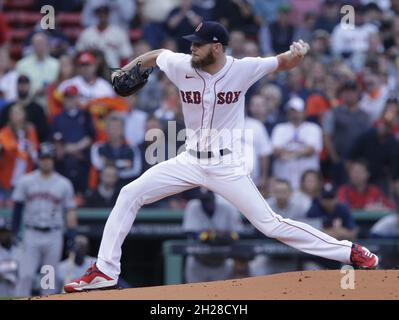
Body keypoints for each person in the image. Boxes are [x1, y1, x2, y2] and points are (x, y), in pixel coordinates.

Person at [64, 21, 378, 293]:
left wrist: (297, 54)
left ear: (216, 47)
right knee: (129, 193)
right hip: (189, 160)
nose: (192, 49)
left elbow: (281, 63)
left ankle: (350, 252)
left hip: (226, 164)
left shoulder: (242, 68)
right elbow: (157, 55)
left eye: (198, 45)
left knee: (271, 225)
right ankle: (105, 271)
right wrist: (128, 67)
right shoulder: (181, 65)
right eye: (191, 44)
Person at [12, 143, 78, 297]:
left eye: (48, 158)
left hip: (53, 235)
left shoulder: (64, 184)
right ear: (38, 160)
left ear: (53, 160)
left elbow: (70, 212)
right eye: (43, 158)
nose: (45, 161)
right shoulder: (26, 181)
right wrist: (15, 231)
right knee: (25, 275)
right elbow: (17, 208)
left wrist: (72, 236)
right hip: (31, 233)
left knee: (48, 280)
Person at [183, 189, 242, 283]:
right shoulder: (193, 205)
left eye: (208, 200)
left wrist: (225, 237)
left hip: (222, 263)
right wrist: (210, 236)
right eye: (203, 200)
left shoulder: (227, 206)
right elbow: (191, 233)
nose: (206, 204)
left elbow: (237, 234)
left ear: (214, 197)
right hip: (198, 263)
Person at [271, 96, 323, 190]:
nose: (294, 114)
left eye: (297, 111)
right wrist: (300, 152)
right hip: (284, 177)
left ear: (304, 112)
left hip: (307, 179)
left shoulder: (313, 128)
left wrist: (289, 154)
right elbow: (276, 150)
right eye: (291, 111)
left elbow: (310, 150)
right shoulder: (280, 128)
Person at [52, 85, 96, 194]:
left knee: (82, 194)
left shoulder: (85, 115)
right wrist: (68, 149)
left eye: (72, 97)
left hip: (82, 162)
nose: (69, 100)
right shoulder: (57, 118)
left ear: (77, 98)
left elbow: (91, 136)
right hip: (64, 163)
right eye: (67, 97)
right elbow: (55, 141)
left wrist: (76, 147)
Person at [76, 3, 134, 68]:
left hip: (113, 70)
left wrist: (121, 74)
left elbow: (125, 56)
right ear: (96, 15)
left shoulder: (119, 33)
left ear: (109, 14)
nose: (102, 16)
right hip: (92, 71)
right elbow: (79, 54)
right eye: (100, 13)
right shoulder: (86, 33)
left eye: (105, 13)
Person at [0, 74, 49, 142]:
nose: (22, 86)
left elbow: (44, 132)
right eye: (20, 84)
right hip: (10, 146)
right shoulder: (8, 108)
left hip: (33, 145)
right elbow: (2, 128)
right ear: (16, 86)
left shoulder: (38, 109)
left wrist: (31, 130)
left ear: (29, 86)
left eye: (25, 84)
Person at [0, 217, 18, 297]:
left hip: (16, 288)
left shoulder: (20, 249)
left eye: (7, 232)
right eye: (3, 232)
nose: (5, 235)